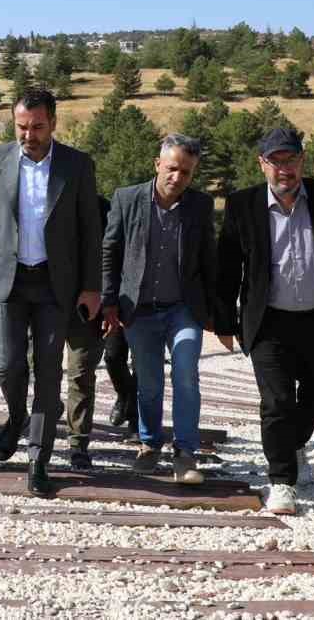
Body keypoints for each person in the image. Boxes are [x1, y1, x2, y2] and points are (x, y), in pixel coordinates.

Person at [215, 127, 314, 514]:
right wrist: (222, 322)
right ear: (262, 164)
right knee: (277, 402)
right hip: (268, 322)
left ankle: (292, 443)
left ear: (302, 161)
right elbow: (226, 269)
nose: (284, 169)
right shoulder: (242, 205)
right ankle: (282, 481)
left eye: (291, 160)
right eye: (276, 161)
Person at [0, 88, 102, 498]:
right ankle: (15, 417)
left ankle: (37, 460)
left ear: (54, 123)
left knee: (47, 373)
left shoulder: (77, 165)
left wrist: (92, 286)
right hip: (8, 280)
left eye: (38, 127)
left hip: (54, 285)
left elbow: (90, 232)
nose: (29, 135)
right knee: (7, 366)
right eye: (22, 127)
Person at [100, 134, 216, 483]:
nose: (177, 178)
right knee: (148, 382)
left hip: (183, 308)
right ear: (157, 164)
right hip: (140, 308)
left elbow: (209, 259)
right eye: (171, 169)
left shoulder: (200, 205)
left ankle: (185, 452)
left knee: (185, 372)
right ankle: (149, 444)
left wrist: (215, 312)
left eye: (186, 172)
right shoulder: (127, 198)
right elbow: (110, 250)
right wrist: (108, 301)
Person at [60, 193, 112, 470]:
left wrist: (108, 300)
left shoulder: (105, 210)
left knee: (80, 375)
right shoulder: (49, 204)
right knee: (37, 366)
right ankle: (49, 416)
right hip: (49, 301)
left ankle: (78, 442)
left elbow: (114, 255)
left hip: (89, 306)